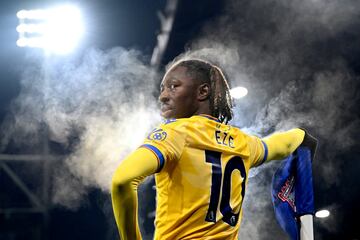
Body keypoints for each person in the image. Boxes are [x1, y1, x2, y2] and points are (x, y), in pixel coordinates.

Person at [111, 58, 314, 240]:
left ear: (203, 91)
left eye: (173, 86)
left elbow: (123, 180)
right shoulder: (243, 142)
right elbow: (283, 144)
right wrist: (302, 137)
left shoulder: (176, 134)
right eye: (162, 88)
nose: (163, 95)